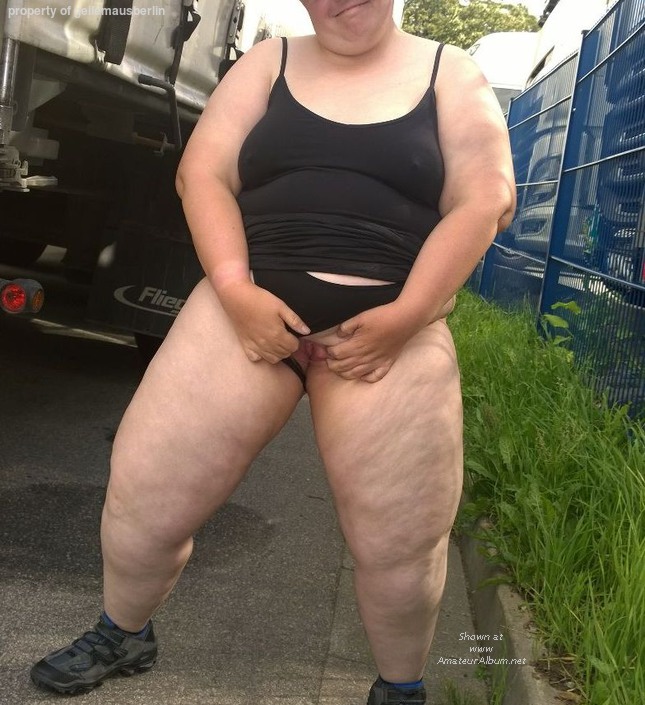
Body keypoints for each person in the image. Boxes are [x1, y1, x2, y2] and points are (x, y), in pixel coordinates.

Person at [30, 1, 515, 703]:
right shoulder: (269, 62)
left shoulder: (451, 73)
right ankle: (122, 632)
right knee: (145, 497)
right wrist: (235, 291)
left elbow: (486, 199)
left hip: (389, 329)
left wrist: (408, 315)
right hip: (246, 310)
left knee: (401, 545)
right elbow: (202, 174)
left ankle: (400, 688)